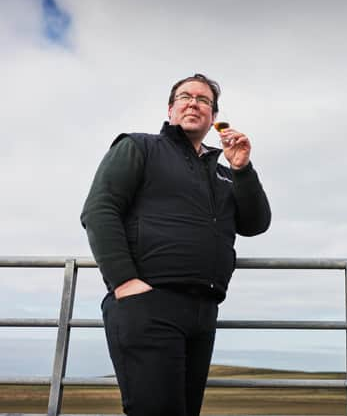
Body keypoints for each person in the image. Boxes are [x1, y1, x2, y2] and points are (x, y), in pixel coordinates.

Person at [81, 73, 271, 416]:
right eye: (186, 97)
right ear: (170, 109)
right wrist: (124, 281)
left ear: (213, 116)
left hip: (203, 308)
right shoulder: (139, 147)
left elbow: (255, 225)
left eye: (204, 100)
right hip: (148, 302)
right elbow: (99, 210)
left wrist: (242, 169)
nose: (194, 103)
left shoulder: (223, 168)